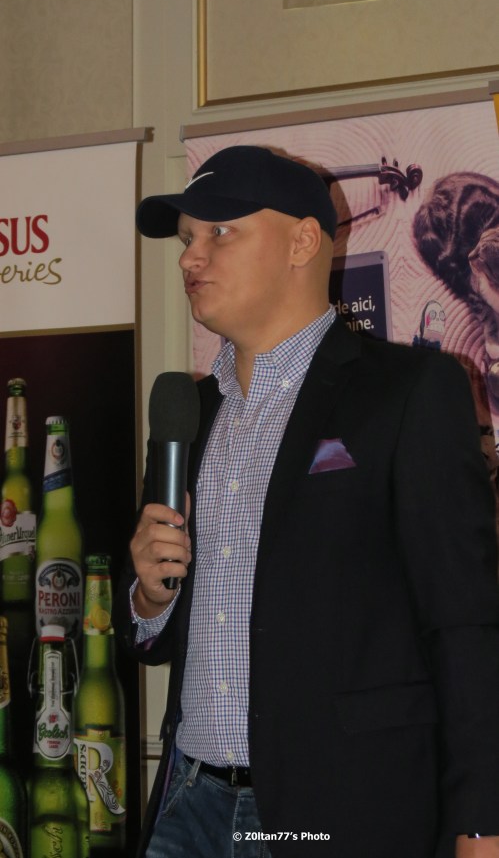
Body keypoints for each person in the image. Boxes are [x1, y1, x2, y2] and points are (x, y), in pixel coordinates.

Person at [113, 145, 499, 858]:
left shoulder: (408, 393)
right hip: (188, 804)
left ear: (301, 241)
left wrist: (481, 823)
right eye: (187, 238)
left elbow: (466, 624)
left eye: (219, 231)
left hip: (330, 813)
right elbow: (151, 639)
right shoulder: (187, 412)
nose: (190, 257)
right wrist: (146, 594)